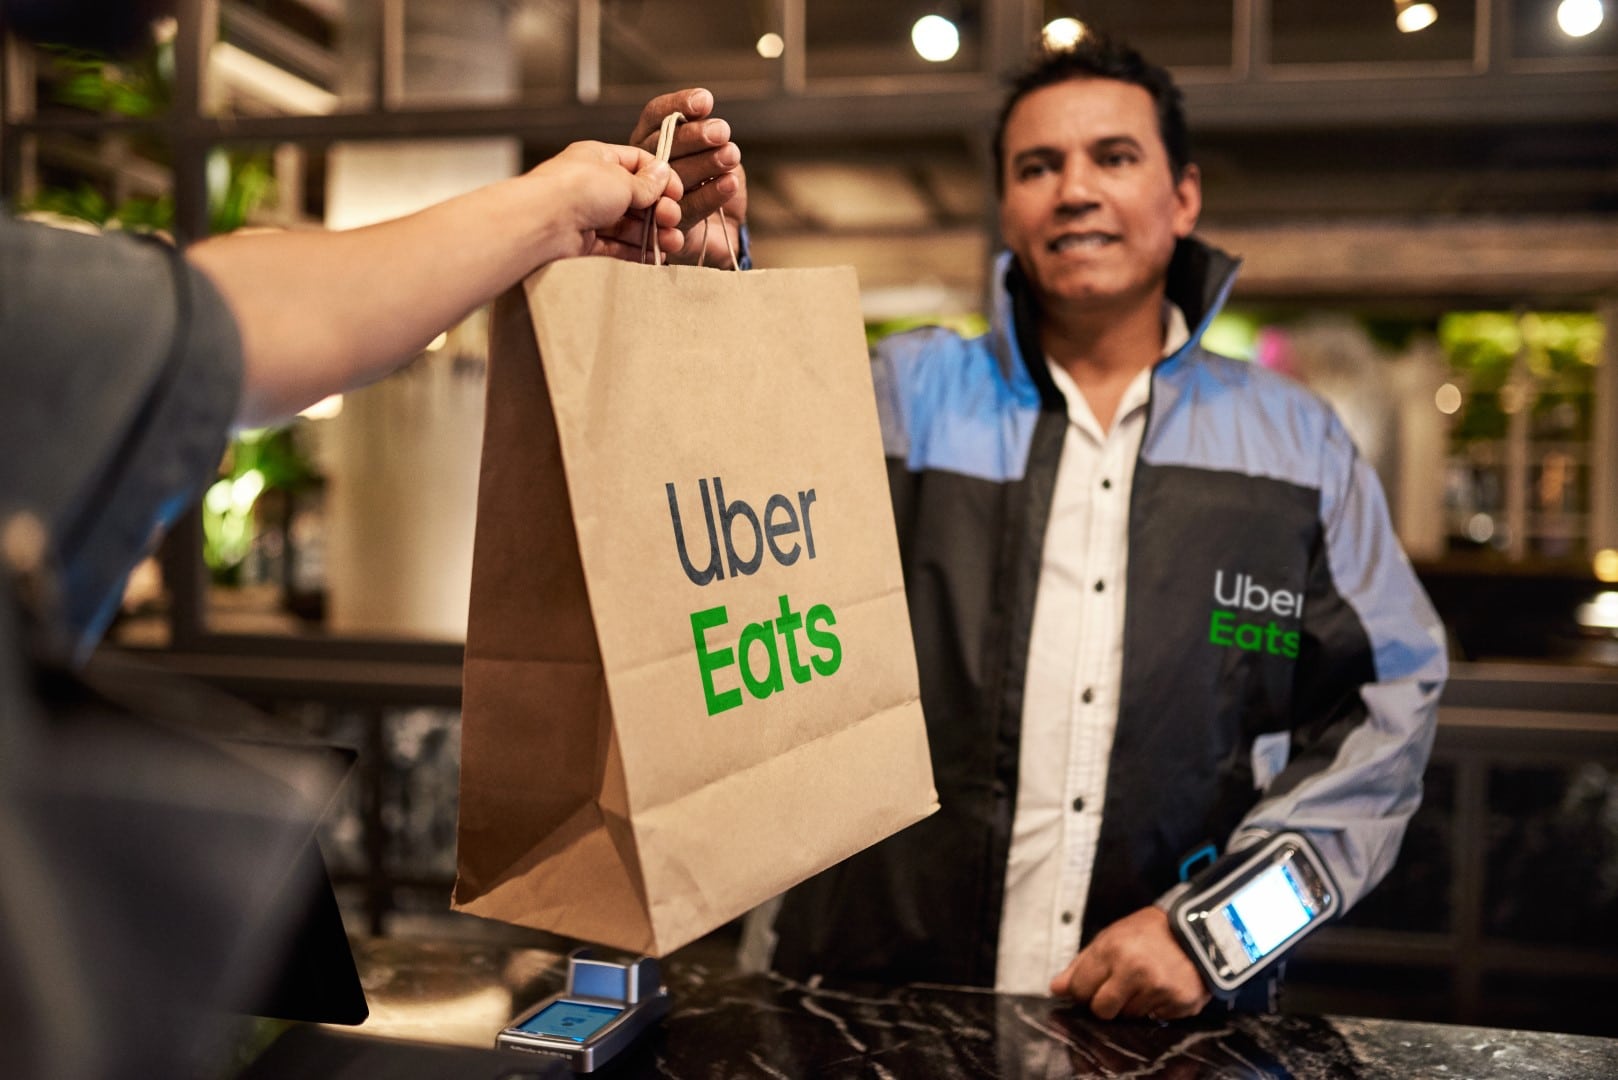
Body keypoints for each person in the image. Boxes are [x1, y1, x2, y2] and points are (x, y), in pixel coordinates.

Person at [755, 32, 1448, 1021]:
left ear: (1183, 198)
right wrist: (695, 274)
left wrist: (1214, 933)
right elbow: (720, 483)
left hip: (1159, 1027)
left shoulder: (1296, 446)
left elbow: (1391, 705)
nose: (1073, 189)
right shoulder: (901, 401)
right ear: (1008, 208)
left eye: (1112, 158)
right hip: (874, 1012)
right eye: (1037, 167)